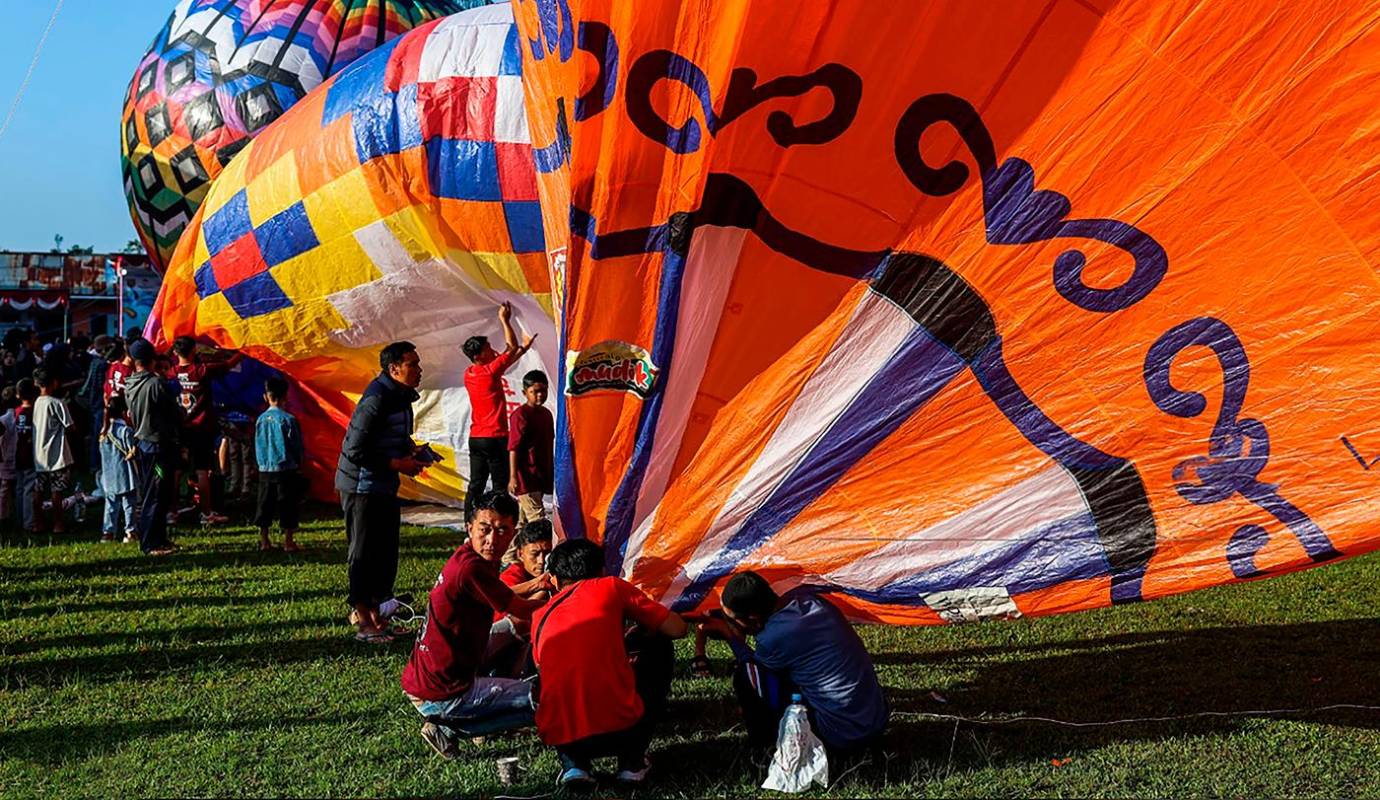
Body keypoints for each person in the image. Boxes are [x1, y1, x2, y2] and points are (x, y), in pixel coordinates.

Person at [530, 538, 688, 789]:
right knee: (659, 645)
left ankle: (574, 767)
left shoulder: (539, 616)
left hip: (563, 734)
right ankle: (631, 764)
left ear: (555, 581)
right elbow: (677, 629)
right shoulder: (611, 587)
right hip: (620, 726)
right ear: (602, 571)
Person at [401, 492, 550, 757]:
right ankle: (449, 729)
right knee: (545, 698)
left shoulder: (474, 558)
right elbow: (522, 609)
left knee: (516, 628)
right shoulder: (470, 569)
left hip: (434, 674)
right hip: (444, 691)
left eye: (502, 530)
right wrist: (571, 598)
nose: (492, 540)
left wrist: (539, 584)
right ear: (469, 527)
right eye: (485, 530)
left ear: (513, 533)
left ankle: (484, 703)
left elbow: (503, 594)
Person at [702, 571, 888, 757]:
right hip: (876, 722)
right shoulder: (814, 603)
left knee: (746, 675)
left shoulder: (773, 638)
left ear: (752, 619)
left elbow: (756, 672)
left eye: (731, 619)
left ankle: (765, 747)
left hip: (840, 736)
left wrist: (731, 637)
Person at [337, 341, 431, 641]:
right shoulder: (376, 399)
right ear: (394, 369)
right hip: (361, 487)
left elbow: (391, 436)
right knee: (363, 553)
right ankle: (364, 621)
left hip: (383, 486)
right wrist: (397, 463)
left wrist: (411, 451)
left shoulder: (401, 397)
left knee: (385, 552)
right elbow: (353, 449)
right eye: (412, 364)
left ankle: (378, 616)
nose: (419, 370)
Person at [462, 301, 536, 522]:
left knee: (476, 483)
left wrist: (523, 349)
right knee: (499, 484)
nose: (493, 351)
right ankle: (499, 520)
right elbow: (509, 349)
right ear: (479, 356)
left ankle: (469, 521)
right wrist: (505, 320)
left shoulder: (471, 373)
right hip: (495, 437)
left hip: (476, 438)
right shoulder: (489, 371)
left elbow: (508, 356)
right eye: (487, 349)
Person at [171, 336, 239, 524]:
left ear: (175, 353)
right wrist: (244, 352)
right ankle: (207, 512)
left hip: (180, 428)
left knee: (177, 471)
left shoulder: (171, 373)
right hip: (202, 428)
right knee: (202, 470)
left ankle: (172, 511)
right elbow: (228, 365)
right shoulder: (202, 371)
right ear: (194, 350)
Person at [124, 338, 181, 555]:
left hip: (144, 444)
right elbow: (174, 412)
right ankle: (150, 543)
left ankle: (160, 538)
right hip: (157, 446)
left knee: (160, 493)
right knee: (155, 494)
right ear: (152, 359)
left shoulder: (131, 383)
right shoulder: (156, 384)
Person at [484, 519, 555, 679]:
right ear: (520, 553)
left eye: (547, 553)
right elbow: (520, 612)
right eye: (535, 554)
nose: (541, 561)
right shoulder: (512, 575)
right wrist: (541, 586)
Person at [254, 376, 303, 552]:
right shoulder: (289, 419)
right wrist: (299, 462)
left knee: (264, 503)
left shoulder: (260, 419)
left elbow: (258, 443)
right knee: (288, 504)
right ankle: (288, 541)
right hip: (286, 468)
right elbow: (296, 445)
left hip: (265, 467)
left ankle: (264, 540)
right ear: (286, 397)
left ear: (265, 397)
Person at [507, 369, 553, 535]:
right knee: (538, 519)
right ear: (525, 393)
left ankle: (509, 556)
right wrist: (513, 477)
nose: (540, 395)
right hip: (525, 477)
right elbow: (513, 448)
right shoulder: (520, 415)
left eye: (543, 391)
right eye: (535, 392)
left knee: (521, 521)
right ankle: (544, 556)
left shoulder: (546, 414)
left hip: (539, 474)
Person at [32, 368, 75, 535]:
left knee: (38, 490)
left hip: (39, 455)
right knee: (57, 491)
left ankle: (38, 523)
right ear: (53, 382)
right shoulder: (58, 403)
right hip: (57, 455)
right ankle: (58, 524)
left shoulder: (37, 402)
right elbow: (70, 426)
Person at [98, 395, 139, 544]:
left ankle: (108, 533)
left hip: (108, 474)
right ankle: (130, 532)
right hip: (125, 474)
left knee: (110, 505)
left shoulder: (103, 432)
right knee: (129, 504)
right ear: (124, 411)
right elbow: (131, 452)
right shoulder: (125, 431)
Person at [12, 379, 38, 533]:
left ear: (17, 395)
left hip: (16, 455)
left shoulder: (15, 412)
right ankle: (28, 522)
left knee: (19, 488)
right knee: (29, 489)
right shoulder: (34, 412)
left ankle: (19, 519)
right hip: (30, 455)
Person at [0, 389, 18, 531]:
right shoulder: (19, 417)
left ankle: (3, 515)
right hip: (18, 457)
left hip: (4, 458)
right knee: (18, 488)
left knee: (4, 489)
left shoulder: (3, 420)